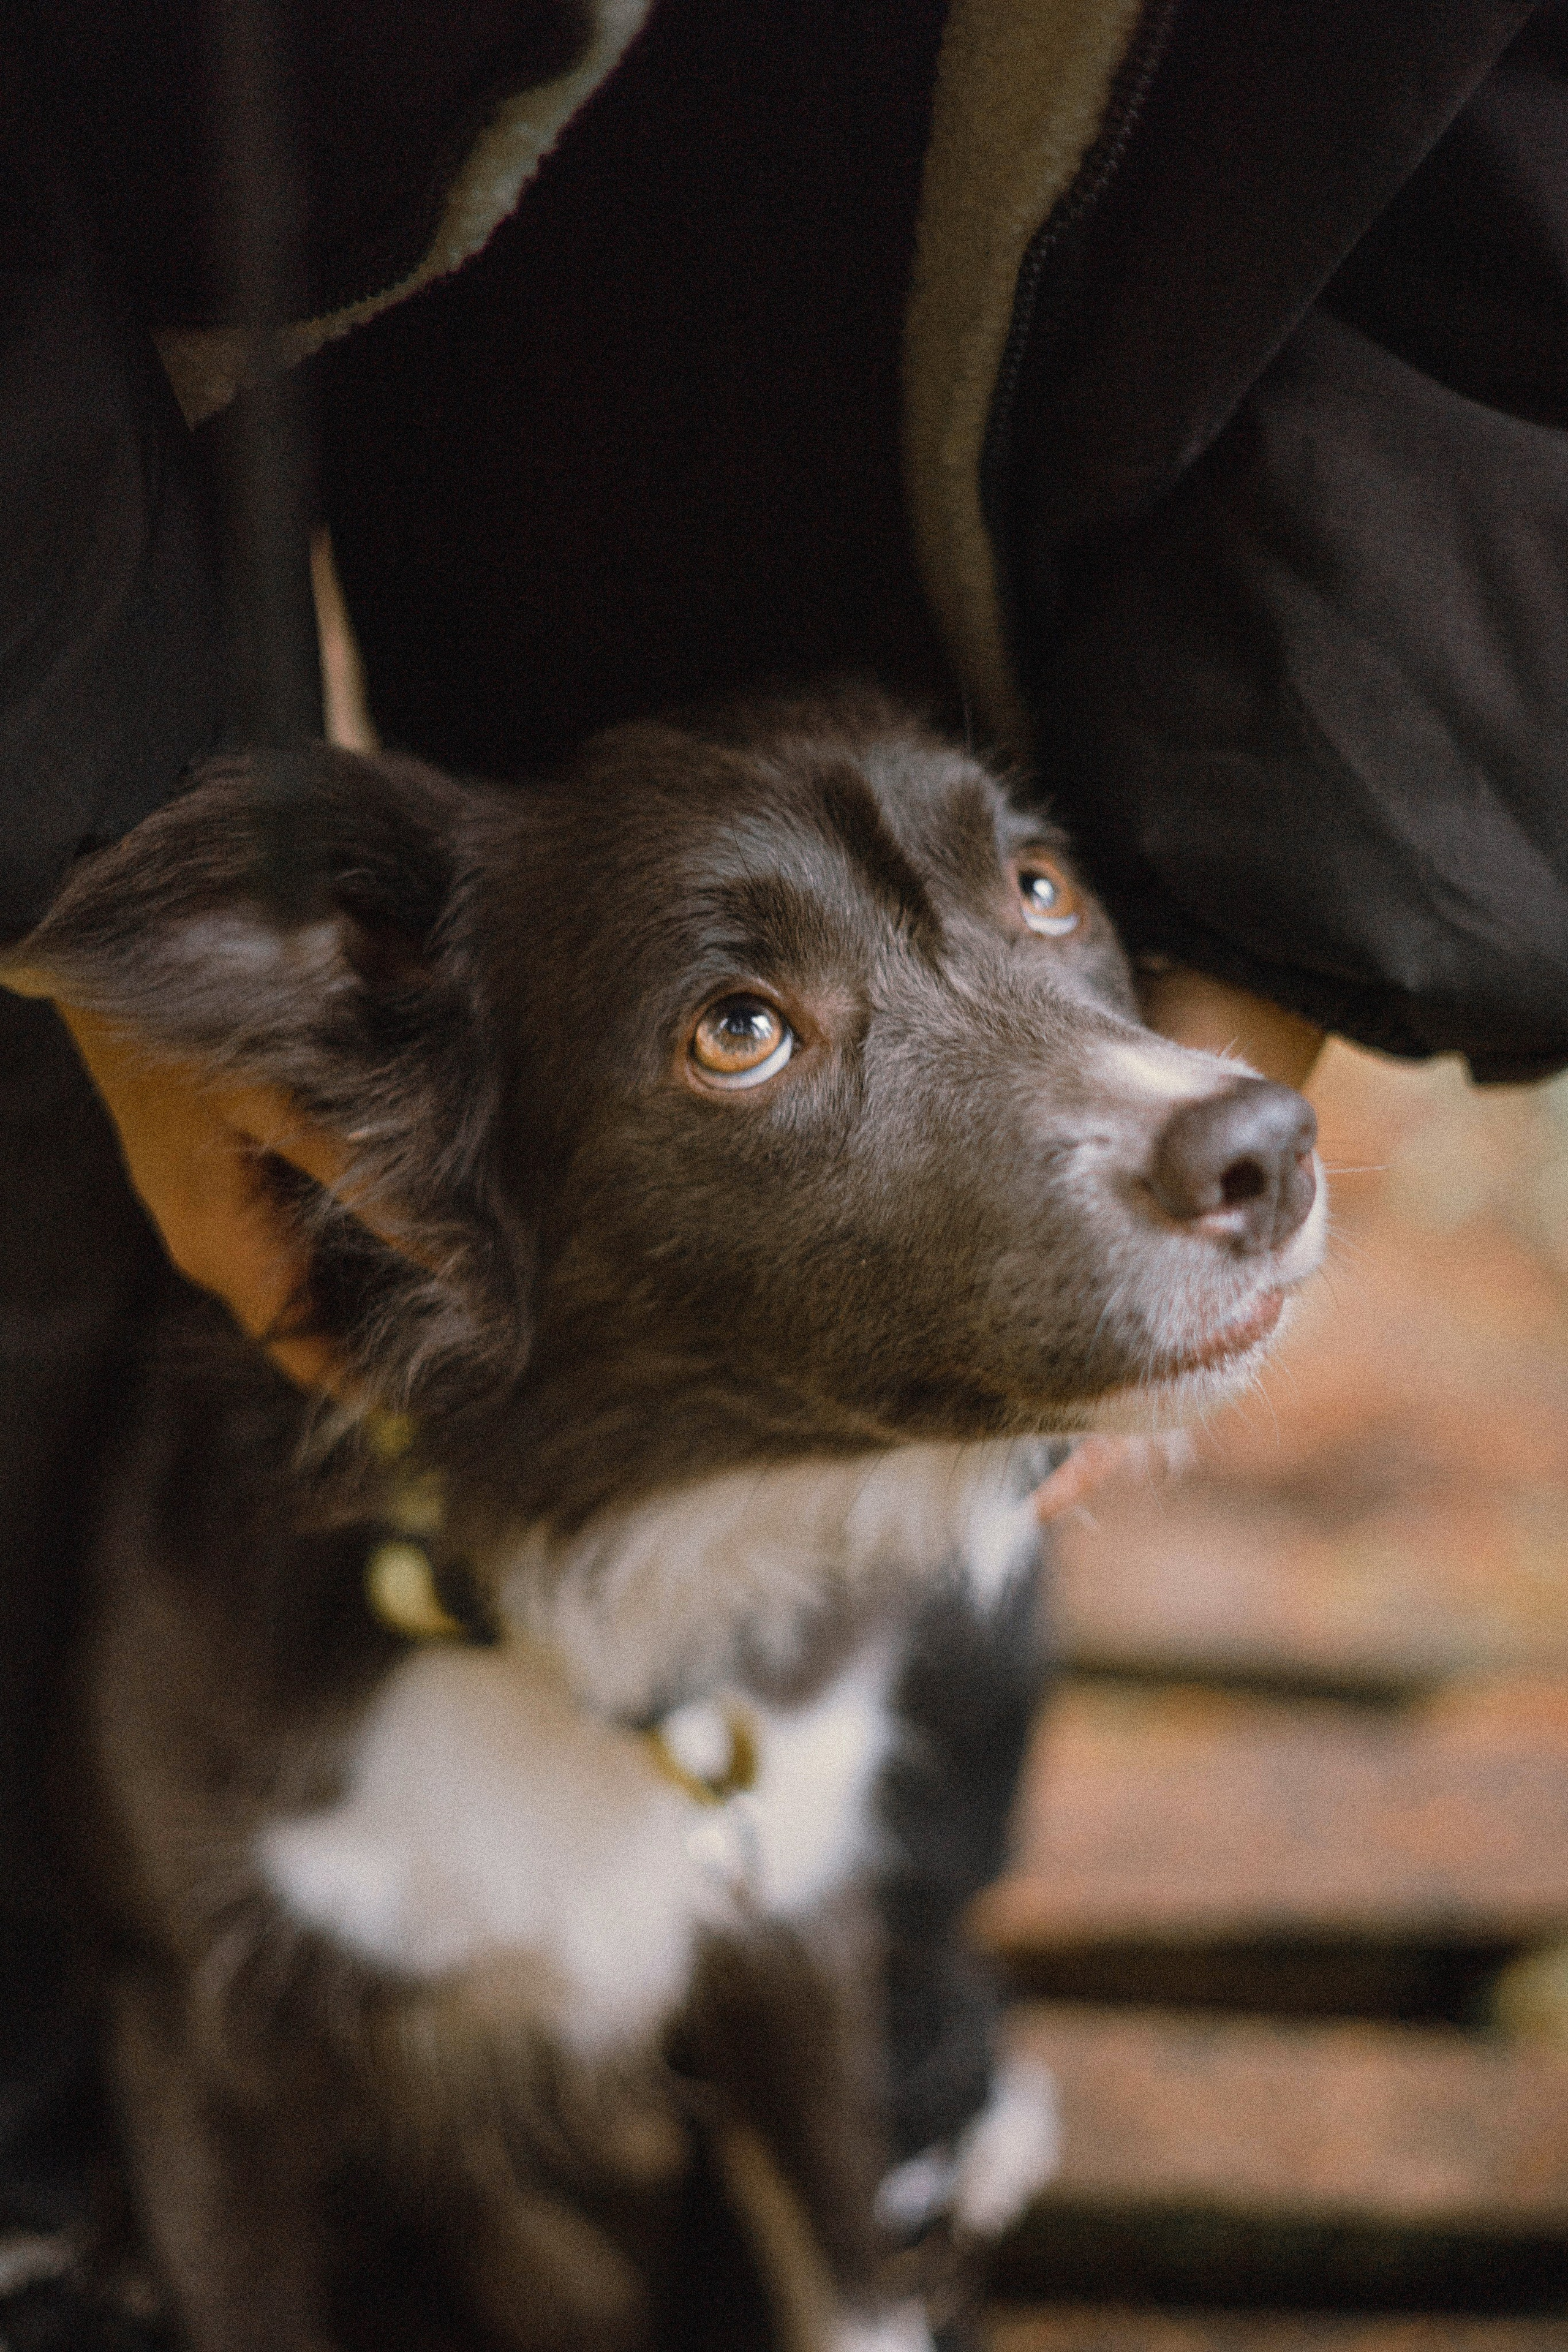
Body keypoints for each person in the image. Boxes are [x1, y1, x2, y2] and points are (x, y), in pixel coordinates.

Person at [2, 0, 1566, 2331]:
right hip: (139, 150)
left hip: (906, 137)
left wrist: (1273, 896)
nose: (1188, 1119)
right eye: (749, 1031)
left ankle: (899, 2091)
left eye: (1032, 887)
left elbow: (1517, 250)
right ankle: (43, 2140)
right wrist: (63, 837)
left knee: (803, 584)